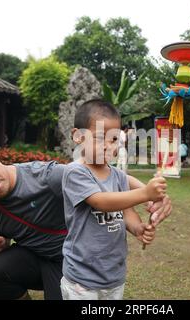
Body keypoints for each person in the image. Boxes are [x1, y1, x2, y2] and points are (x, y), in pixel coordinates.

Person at [0, 140, 172, 300]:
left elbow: (109, 177)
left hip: (74, 261)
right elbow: (6, 243)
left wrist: (150, 195)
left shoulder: (47, 176)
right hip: (35, 257)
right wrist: (1, 242)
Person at [61, 99, 167, 300]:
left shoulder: (117, 176)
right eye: (101, 138)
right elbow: (101, 201)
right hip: (82, 280)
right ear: (78, 136)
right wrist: (145, 193)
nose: (108, 146)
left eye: (114, 139)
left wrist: (138, 229)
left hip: (113, 276)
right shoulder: (75, 172)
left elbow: (127, 211)